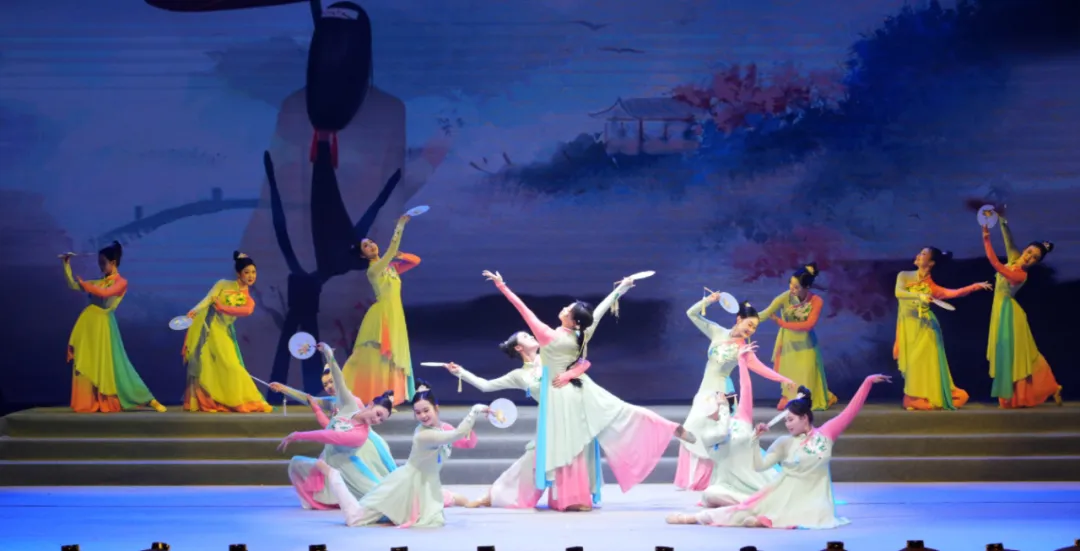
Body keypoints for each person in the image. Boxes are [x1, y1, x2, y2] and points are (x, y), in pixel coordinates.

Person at [484, 269, 694, 512]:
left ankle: (570, 498)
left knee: (568, 445)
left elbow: (523, 309)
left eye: (568, 310)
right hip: (584, 387)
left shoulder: (548, 336)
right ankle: (667, 426)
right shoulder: (582, 334)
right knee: (622, 411)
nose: (564, 309)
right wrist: (622, 288)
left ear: (573, 321)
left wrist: (502, 286)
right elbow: (600, 311)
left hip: (560, 394)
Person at [666, 374, 892, 529]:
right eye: (786, 420)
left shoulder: (826, 434)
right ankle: (693, 518)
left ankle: (767, 519)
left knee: (787, 515)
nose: (788, 424)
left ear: (805, 418)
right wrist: (754, 441)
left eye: (791, 420)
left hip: (814, 499)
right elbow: (759, 466)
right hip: (781, 493)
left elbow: (850, 411)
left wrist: (867, 383)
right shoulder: (784, 442)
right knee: (742, 511)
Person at [442, 331, 586, 509]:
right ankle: (495, 494)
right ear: (518, 348)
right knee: (535, 459)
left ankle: (572, 498)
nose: (531, 336)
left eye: (530, 335)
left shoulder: (550, 358)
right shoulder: (520, 375)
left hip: (571, 413)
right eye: (525, 337)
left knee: (568, 455)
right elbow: (486, 385)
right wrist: (460, 372)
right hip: (551, 419)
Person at [319, 388, 487, 528]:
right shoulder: (424, 435)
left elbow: (466, 442)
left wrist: (472, 426)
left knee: (432, 520)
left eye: (426, 410)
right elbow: (457, 434)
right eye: (418, 412)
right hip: (407, 484)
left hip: (428, 485)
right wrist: (476, 410)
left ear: (436, 408)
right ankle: (333, 476)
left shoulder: (444, 428)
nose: (422, 416)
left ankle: (463, 500)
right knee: (356, 518)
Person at [676, 295, 793, 490]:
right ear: (739, 319)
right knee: (694, 429)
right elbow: (691, 313)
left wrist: (784, 380)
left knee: (724, 434)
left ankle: (721, 477)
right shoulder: (717, 332)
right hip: (705, 391)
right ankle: (696, 479)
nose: (751, 330)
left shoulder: (744, 349)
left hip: (724, 393)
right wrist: (709, 300)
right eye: (749, 324)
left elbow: (761, 369)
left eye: (754, 328)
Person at [272, 343, 396, 509]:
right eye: (325, 385)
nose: (329, 387)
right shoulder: (337, 403)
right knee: (330, 469)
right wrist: (284, 389)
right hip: (338, 444)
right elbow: (313, 405)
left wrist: (299, 434)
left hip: (360, 446)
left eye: (331, 382)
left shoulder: (354, 403)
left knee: (369, 484)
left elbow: (332, 433)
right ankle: (335, 498)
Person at [62, 242, 165, 413]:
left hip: (104, 324)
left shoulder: (121, 282)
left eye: (103, 262)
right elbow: (72, 285)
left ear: (113, 262)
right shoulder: (99, 282)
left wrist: (86, 285)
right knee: (89, 362)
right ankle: (90, 400)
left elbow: (105, 294)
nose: (100, 266)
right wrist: (66, 264)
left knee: (118, 365)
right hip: (88, 323)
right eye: (99, 263)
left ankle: (148, 399)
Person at [893, 247, 992, 410]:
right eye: (920, 253)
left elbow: (955, 293)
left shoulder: (931, 286)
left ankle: (920, 397)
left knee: (923, 363)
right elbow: (899, 293)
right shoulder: (904, 275)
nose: (918, 255)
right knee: (912, 364)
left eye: (923, 254)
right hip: (908, 326)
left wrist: (975, 286)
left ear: (931, 263)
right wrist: (920, 295)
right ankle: (915, 397)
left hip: (926, 327)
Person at [981, 215, 1063, 408]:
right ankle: (1024, 393)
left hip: (1010, 314)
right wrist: (1002, 220)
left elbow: (995, 263)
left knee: (1020, 355)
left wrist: (986, 236)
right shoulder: (1014, 259)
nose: (1029, 258)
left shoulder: (1020, 275)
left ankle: (1047, 387)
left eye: (1035, 258)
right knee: (1011, 355)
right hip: (1000, 312)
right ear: (1025, 249)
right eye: (1029, 252)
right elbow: (1009, 240)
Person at [341, 214, 420, 407]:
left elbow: (415, 261)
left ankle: (389, 398)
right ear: (363, 255)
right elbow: (391, 250)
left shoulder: (391, 268)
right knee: (379, 358)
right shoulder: (374, 270)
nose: (371, 246)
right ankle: (369, 396)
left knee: (393, 358)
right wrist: (400, 226)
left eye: (371, 242)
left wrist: (401, 256)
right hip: (382, 315)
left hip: (396, 315)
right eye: (365, 246)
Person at [182, 251, 272, 412]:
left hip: (222, 331)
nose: (251, 276)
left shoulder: (248, 299)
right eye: (247, 272)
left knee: (231, 366)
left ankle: (238, 400)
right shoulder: (223, 284)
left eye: (253, 272)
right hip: (207, 327)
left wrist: (222, 307)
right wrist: (194, 311)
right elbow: (208, 299)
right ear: (238, 274)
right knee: (206, 366)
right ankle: (208, 401)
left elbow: (246, 311)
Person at [698, 342, 781, 508]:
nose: (717, 399)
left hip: (759, 481)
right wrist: (723, 408)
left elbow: (746, 387)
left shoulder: (741, 418)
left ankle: (763, 500)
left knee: (783, 488)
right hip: (732, 488)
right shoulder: (707, 433)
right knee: (710, 494)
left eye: (718, 397)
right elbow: (722, 433)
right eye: (713, 399)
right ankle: (756, 503)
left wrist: (742, 362)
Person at [757, 263, 836, 410]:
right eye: (791, 284)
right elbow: (765, 313)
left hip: (806, 343)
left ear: (807, 287)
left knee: (807, 375)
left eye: (796, 287)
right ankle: (788, 395)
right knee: (789, 378)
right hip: (788, 343)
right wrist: (746, 318)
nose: (791, 289)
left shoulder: (816, 301)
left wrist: (781, 323)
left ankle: (810, 397)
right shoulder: (785, 297)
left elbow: (808, 325)